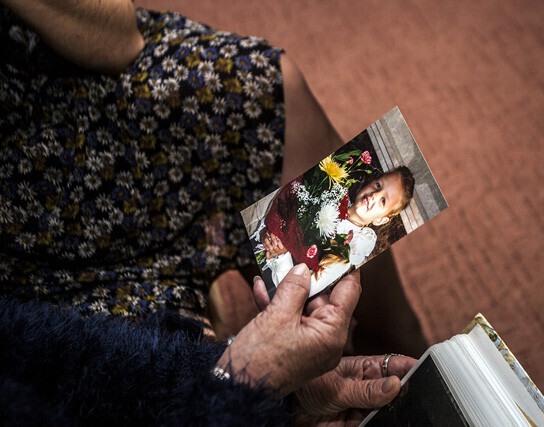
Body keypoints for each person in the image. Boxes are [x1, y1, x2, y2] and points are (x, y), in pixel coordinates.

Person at [0, 0, 416, 424]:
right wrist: (246, 380)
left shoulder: (358, 232)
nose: (372, 196)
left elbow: (119, 39)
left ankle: (405, 340)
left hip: (49, 96)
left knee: (262, 85)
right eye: (375, 188)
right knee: (164, 359)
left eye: (383, 200)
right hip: (31, 299)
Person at [257, 166, 415, 298]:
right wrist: (265, 229)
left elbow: (301, 292)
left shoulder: (346, 251)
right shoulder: (329, 193)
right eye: (378, 185)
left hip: (273, 289)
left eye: (383, 200)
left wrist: (282, 255)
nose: (374, 195)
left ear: (381, 220)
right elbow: (287, 209)